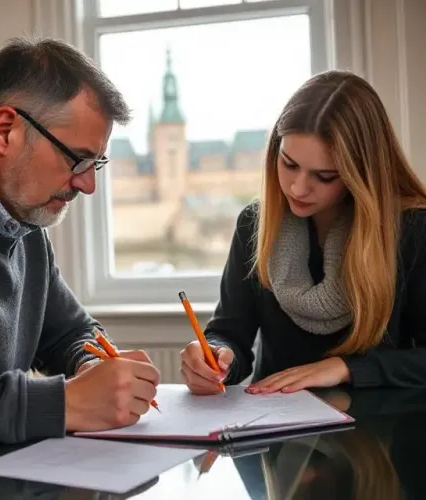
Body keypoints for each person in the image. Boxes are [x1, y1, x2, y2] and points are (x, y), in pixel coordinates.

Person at [0, 36, 160, 449]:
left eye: (95, 165)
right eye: (77, 159)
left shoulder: (23, 225)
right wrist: (66, 403)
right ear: (5, 131)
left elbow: (69, 332)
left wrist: (91, 362)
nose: (87, 184)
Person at [180, 69, 426, 396]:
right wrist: (213, 357)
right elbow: (230, 336)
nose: (297, 188)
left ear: (362, 174)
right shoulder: (254, 224)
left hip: (382, 437)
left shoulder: (412, 230)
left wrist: (344, 368)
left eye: (324, 176)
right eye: (289, 163)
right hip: (276, 435)